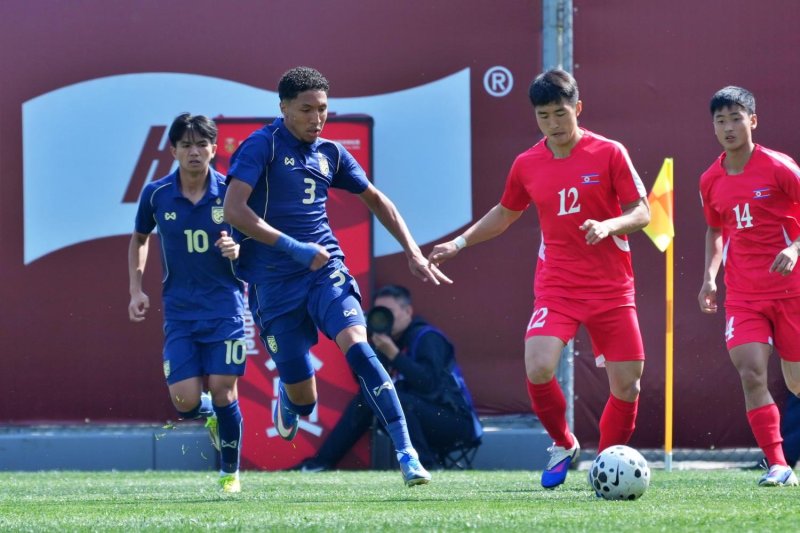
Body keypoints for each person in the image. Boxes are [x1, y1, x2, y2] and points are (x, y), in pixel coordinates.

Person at [222, 66, 451, 487]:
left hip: (325, 272)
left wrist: (413, 251)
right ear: (284, 108)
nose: (317, 118)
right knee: (304, 399)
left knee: (360, 348)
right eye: (306, 109)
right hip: (274, 284)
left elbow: (377, 200)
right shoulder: (261, 147)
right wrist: (292, 247)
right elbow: (234, 210)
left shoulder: (331, 153)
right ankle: (290, 402)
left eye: (323, 109)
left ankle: (407, 454)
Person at [429, 68, 650, 490]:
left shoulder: (609, 153)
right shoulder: (527, 163)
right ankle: (563, 442)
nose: (553, 124)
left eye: (561, 113)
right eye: (544, 116)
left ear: (578, 109)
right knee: (538, 365)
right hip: (558, 286)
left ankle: (606, 466)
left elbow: (642, 212)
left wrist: (610, 225)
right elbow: (505, 213)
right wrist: (458, 244)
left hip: (611, 289)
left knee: (628, 384)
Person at [128, 113, 246, 493]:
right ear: (174, 150)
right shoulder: (156, 193)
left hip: (226, 308)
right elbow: (140, 238)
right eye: (186, 145)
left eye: (201, 144)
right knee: (184, 401)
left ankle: (230, 473)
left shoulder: (232, 191)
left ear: (214, 148)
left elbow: (258, 243)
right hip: (180, 312)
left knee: (225, 388)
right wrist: (136, 290)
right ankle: (207, 414)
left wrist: (237, 249)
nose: (194, 152)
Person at [698, 86, 800, 487]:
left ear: (752, 121)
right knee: (751, 372)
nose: (728, 128)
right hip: (743, 296)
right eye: (720, 121)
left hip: (791, 291)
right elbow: (714, 229)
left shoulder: (780, 168)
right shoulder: (710, 178)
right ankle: (778, 464)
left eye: (735, 118)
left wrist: (795, 248)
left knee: (795, 382)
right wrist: (709, 276)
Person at [293, 284, 482, 472]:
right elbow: (364, 382)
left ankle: (426, 465)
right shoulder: (383, 340)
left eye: (389, 311)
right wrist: (370, 349)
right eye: (379, 312)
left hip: (455, 421)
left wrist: (394, 355)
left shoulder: (427, 338)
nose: (384, 317)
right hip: (418, 416)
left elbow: (429, 385)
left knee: (396, 399)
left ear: (407, 311)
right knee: (370, 396)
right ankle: (320, 463)